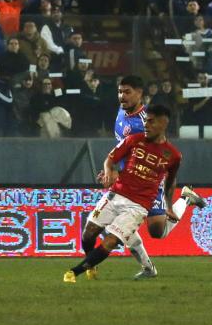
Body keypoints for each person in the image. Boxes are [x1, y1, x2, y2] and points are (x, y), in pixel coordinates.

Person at [87, 76, 205, 280]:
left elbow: (158, 153)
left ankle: (185, 198)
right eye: (120, 92)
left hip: (148, 182)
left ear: (140, 93)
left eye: (127, 92)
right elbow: (123, 148)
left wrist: (118, 173)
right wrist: (112, 170)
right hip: (127, 182)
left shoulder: (145, 122)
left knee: (157, 231)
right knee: (122, 225)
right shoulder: (122, 112)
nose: (122, 96)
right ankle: (148, 268)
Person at [63, 104, 182, 283]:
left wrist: (169, 205)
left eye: (150, 121)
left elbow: (171, 181)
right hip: (115, 195)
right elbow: (110, 159)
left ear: (163, 123)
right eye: (145, 121)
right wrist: (109, 172)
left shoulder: (173, 155)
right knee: (88, 234)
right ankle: (91, 264)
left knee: (112, 240)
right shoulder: (134, 140)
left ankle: (74, 272)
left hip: (138, 206)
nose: (146, 125)